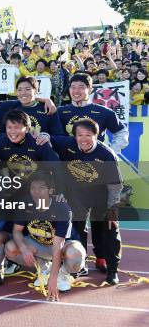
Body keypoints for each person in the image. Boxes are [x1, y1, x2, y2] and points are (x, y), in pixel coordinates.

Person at [51, 118, 123, 285]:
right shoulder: (66, 143)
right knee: (76, 229)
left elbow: (115, 186)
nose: (83, 139)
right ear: (74, 136)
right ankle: (79, 265)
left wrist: (112, 210)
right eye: (80, 135)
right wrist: (44, 136)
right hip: (77, 195)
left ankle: (112, 269)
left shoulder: (107, 155)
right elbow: (47, 137)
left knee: (110, 228)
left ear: (96, 136)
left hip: (102, 196)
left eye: (88, 135)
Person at [5, 171, 86, 301]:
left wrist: (53, 279)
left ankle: (63, 274)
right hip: (38, 244)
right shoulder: (25, 203)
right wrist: (24, 249)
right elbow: (16, 231)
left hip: (63, 245)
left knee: (76, 256)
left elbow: (58, 244)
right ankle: (44, 268)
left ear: (50, 190)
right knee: (10, 248)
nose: (36, 192)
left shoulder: (61, 207)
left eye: (41, 188)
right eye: (33, 188)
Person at [57, 73, 128, 154]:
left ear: (90, 90)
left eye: (81, 87)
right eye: (73, 87)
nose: (76, 91)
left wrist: (112, 152)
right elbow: (51, 136)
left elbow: (121, 132)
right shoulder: (60, 111)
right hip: (66, 160)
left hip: (96, 162)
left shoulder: (103, 111)